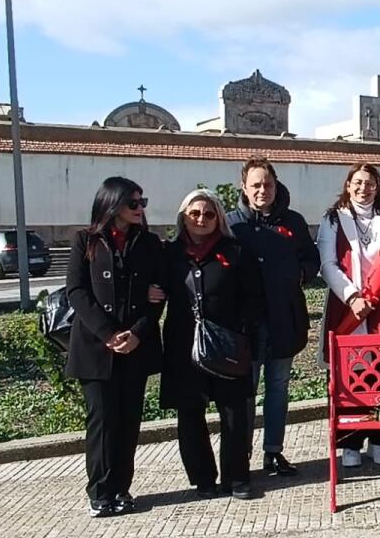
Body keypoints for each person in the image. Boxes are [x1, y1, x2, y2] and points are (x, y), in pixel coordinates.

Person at [64, 177, 164, 518]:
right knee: (102, 420)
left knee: (128, 421)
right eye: (133, 203)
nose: (140, 209)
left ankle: (122, 488)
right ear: (112, 204)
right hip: (96, 348)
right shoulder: (85, 241)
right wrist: (108, 334)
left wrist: (137, 333)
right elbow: (76, 292)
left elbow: (158, 294)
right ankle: (100, 490)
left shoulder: (150, 244)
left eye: (142, 202)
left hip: (134, 346)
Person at [160, 189, 264, 501]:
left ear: (218, 217)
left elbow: (254, 296)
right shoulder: (170, 253)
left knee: (233, 412)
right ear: (183, 217)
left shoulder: (235, 251)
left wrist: (241, 329)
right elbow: (155, 287)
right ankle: (203, 478)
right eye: (195, 214)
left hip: (228, 342)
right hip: (183, 343)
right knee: (190, 413)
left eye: (209, 214)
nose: (202, 219)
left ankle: (237, 478)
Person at [226, 156, 320, 478]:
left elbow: (311, 258)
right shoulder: (232, 224)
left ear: (275, 184)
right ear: (244, 187)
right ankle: (242, 454)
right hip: (246, 326)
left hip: (283, 320)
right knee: (246, 393)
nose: (262, 190)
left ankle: (273, 452)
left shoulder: (292, 221)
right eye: (255, 185)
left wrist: (299, 275)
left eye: (267, 184)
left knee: (278, 389)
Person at [317, 163, 380, 469]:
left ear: (377, 187)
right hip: (347, 305)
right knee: (349, 376)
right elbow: (328, 264)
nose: (363, 188)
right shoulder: (333, 218)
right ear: (348, 185)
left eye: (370, 183)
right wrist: (352, 296)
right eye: (358, 182)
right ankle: (350, 442)